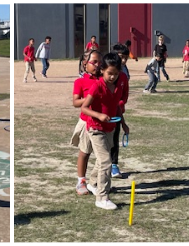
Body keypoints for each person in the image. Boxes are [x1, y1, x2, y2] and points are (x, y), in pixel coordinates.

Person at [81, 52, 126, 210]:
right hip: (95, 128)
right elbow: (84, 108)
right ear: (102, 71)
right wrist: (99, 115)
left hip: (110, 128)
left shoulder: (118, 86)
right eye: (109, 73)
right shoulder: (97, 86)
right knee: (106, 161)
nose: (112, 77)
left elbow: (117, 107)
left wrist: (124, 124)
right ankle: (102, 197)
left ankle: (93, 183)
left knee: (102, 160)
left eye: (115, 74)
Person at [71, 49, 102, 195]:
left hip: (102, 123)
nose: (97, 65)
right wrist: (90, 98)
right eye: (94, 62)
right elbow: (76, 102)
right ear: (85, 63)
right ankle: (81, 181)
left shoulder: (103, 79)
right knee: (85, 152)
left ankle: (95, 182)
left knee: (103, 155)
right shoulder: (80, 81)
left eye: (99, 62)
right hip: (86, 122)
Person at [110, 44, 130, 178]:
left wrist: (119, 104)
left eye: (125, 58)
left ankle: (114, 165)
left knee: (115, 139)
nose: (123, 61)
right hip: (103, 114)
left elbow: (125, 96)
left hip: (117, 114)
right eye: (121, 57)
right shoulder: (105, 73)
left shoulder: (123, 76)